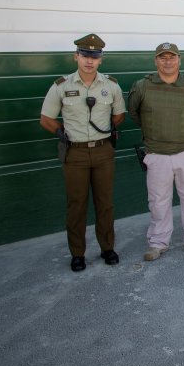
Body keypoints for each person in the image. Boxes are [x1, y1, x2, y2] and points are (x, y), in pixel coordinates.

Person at [39, 33, 125, 272]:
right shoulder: (62, 86)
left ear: (101, 60)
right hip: (74, 154)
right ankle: (77, 254)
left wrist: (105, 131)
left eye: (94, 57)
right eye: (85, 55)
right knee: (76, 205)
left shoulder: (111, 86)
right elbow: (46, 119)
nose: (89, 61)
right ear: (76, 56)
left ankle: (107, 248)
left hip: (103, 151)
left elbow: (119, 115)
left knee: (105, 203)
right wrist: (63, 133)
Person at [128, 42, 184, 261]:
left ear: (179, 59)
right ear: (156, 60)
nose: (167, 61)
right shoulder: (142, 87)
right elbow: (135, 114)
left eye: (171, 57)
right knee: (158, 201)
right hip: (157, 154)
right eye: (162, 57)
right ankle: (158, 242)